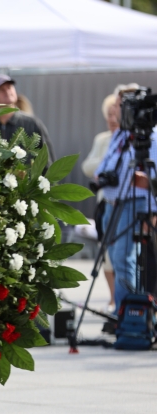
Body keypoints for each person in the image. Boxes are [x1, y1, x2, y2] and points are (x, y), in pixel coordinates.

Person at [94, 85, 157, 312]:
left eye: (120, 106)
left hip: (135, 204)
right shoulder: (120, 134)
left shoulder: (152, 136)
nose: (116, 110)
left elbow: (152, 175)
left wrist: (142, 180)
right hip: (113, 203)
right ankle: (125, 311)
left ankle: (127, 314)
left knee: (123, 259)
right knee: (115, 257)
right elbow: (103, 167)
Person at [82, 93, 119, 312]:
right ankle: (114, 299)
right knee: (106, 255)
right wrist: (107, 165)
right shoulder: (102, 140)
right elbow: (87, 166)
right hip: (105, 204)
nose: (112, 119)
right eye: (109, 115)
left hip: (126, 203)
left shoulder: (130, 140)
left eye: (115, 114)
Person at [0, 74, 55, 162]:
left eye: (9, 87)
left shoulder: (32, 124)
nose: (7, 91)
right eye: (1, 89)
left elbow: (46, 160)